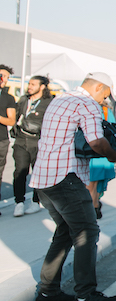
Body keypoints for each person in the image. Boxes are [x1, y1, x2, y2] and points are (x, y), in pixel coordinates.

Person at [29, 72, 116, 301]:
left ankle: (47, 292)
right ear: (98, 87)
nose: (103, 102)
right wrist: (114, 155)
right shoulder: (86, 103)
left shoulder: (61, 98)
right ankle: (86, 296)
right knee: (87, 232)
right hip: (66, 178)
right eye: (104, 96)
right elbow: (95, 141)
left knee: (65, 232)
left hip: (44, 178)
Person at [12, 75, 53, 217]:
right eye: (29, 84)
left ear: (42, 86)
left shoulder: (49, 102)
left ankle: (36, 201)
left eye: (33, 84)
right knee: (19, 171)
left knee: (38, 172)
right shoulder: (24, 99)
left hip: (38, 141)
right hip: (21, 140)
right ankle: (19, 203)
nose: (29, 86)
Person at [0, 65, 17, 214]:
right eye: (2, 75)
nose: (4, 79)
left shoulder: (8, 98)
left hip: (1, 141)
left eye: (6, 77)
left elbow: (11, 121)